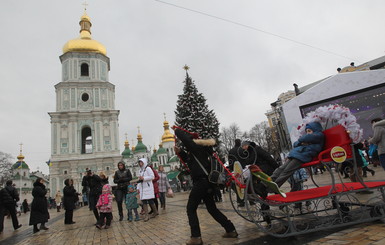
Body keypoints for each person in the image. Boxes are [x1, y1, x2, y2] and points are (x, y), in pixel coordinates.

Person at [173, 127, 238, 245]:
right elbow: (189, 161)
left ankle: (196, 237)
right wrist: (180, 152)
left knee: (191, 208)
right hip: (208, 183)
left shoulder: (197, 147)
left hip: (201, 183)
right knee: (212, 209)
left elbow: (185, 139)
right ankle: (230, 229)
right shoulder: (201, 151)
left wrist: (176, 130)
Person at [269, 122, 324, 189]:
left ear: (315, 130)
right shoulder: (311, 139)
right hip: (297, 155)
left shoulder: (318, 135)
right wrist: (302, 141)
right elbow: (296, 143)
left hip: (303, 156)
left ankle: (273, 187)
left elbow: (305, 138)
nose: (307, 133)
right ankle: (269, 181)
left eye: (309, 131)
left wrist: (302, 141)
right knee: (281, 168)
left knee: (287, 171)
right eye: (306, 131)